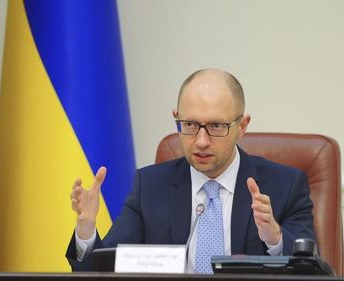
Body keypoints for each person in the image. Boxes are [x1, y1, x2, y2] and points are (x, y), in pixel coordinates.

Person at [66, 68, 315, 273]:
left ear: (242, 126)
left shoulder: (285, 186)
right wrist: (87, 229)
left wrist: (274, 237)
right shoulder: (150, 187)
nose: (202, 141)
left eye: (217, 126)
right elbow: (102, 272)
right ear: (177, 118)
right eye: (190, 125)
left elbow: (312, 270)